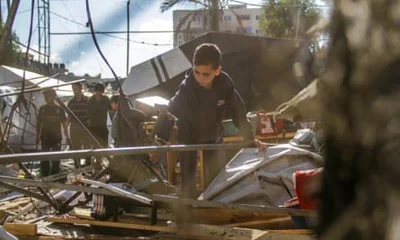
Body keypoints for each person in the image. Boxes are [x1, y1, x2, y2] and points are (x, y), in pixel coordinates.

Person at [160, 43, 267, 198]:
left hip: (213, 133)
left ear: (217, 71)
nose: (200, 78)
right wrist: (160, 139)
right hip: (189, 134)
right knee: (188, 181)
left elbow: (238, 112)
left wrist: (250, 139)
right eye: (197, 72)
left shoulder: (225, 83)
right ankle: (187, 210)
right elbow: (169, 111)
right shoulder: (186, 88)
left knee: (217, 178)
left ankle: (216, 205)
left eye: (205, 74)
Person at [36, 89, 69, 177]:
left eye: (47, 96)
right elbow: (39, 123)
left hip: (56, 137)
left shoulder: (59, 109)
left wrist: (67, 135)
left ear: (53, 97)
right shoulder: (42, 109)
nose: (46, 98)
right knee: (45, 157)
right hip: (45, 137)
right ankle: (45, 175)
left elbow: (64, 123)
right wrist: (37, 136)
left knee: (56, 158)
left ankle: (55, 175)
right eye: (45, 96)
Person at [67, 82, 90, 166]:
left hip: (85, 129)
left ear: (80, 89)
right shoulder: (71, 102)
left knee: (87, 149)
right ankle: (77, 167)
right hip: (74, 129)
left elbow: (91, 114)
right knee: (76, 150)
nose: (74, 91)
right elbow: (69, 116)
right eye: (73, 89)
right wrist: (66, 128)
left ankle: (88, 167)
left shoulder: (87, 101)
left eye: (75, 88)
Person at [87, 83, 110, 148]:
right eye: (98, 90)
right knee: (95, 147)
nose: (99, 92)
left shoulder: (106, 99)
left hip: (103, 126)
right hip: (94, 127)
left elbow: (110, 109)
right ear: (95, 91)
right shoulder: (91, 100)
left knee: (105, 146)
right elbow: (89, 113)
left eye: (101, 90)